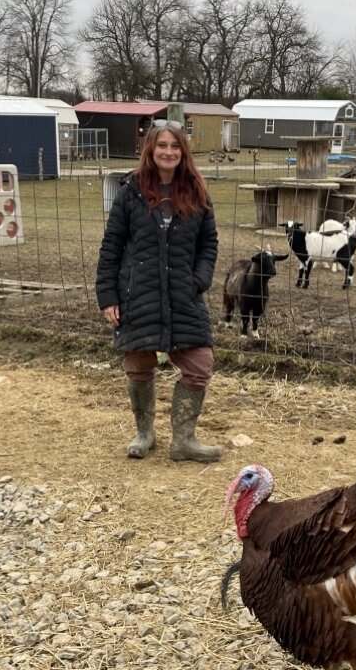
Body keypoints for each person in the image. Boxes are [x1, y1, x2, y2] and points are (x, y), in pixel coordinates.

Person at [95, 120, 222, 463]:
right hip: (139, 295)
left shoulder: (196, 191)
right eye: (162, 145)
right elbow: (112, 247)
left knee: (199, 363)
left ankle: (184, 440)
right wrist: (108, 296)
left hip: (183, 294)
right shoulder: (130, 193)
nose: (168, 152)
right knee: (138, 365)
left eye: (175, 146)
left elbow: (208, 243)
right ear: (150, 150)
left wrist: (199, 279)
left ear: (183, 152)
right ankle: (144, 433)